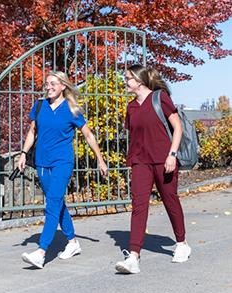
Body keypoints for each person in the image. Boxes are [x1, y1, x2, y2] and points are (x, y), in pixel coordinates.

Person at [18, 71, 108, 269]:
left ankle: (41, 253)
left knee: (52, 203)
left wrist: (100, 160)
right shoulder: (39, 105)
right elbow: (32, 131)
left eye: (53, 84)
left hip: (62, 162)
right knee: (57, 203)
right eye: (46, 84)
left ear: (63, 86)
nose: (48, 87)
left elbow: (89, 135)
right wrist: (24, 153)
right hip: (42, 162)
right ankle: (73, 243)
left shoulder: (72, 109)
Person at [115, 64, 191, 274]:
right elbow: (135, 133)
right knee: (139, 205)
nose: (125, 81)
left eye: (128, 77)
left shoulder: (160, 98)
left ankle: (182, 244)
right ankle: (133, 256)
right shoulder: (131, 107)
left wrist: (172, 154)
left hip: (164, 159)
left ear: (139, 80)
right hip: (140, 161)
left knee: (170, 200)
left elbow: (178, 127)